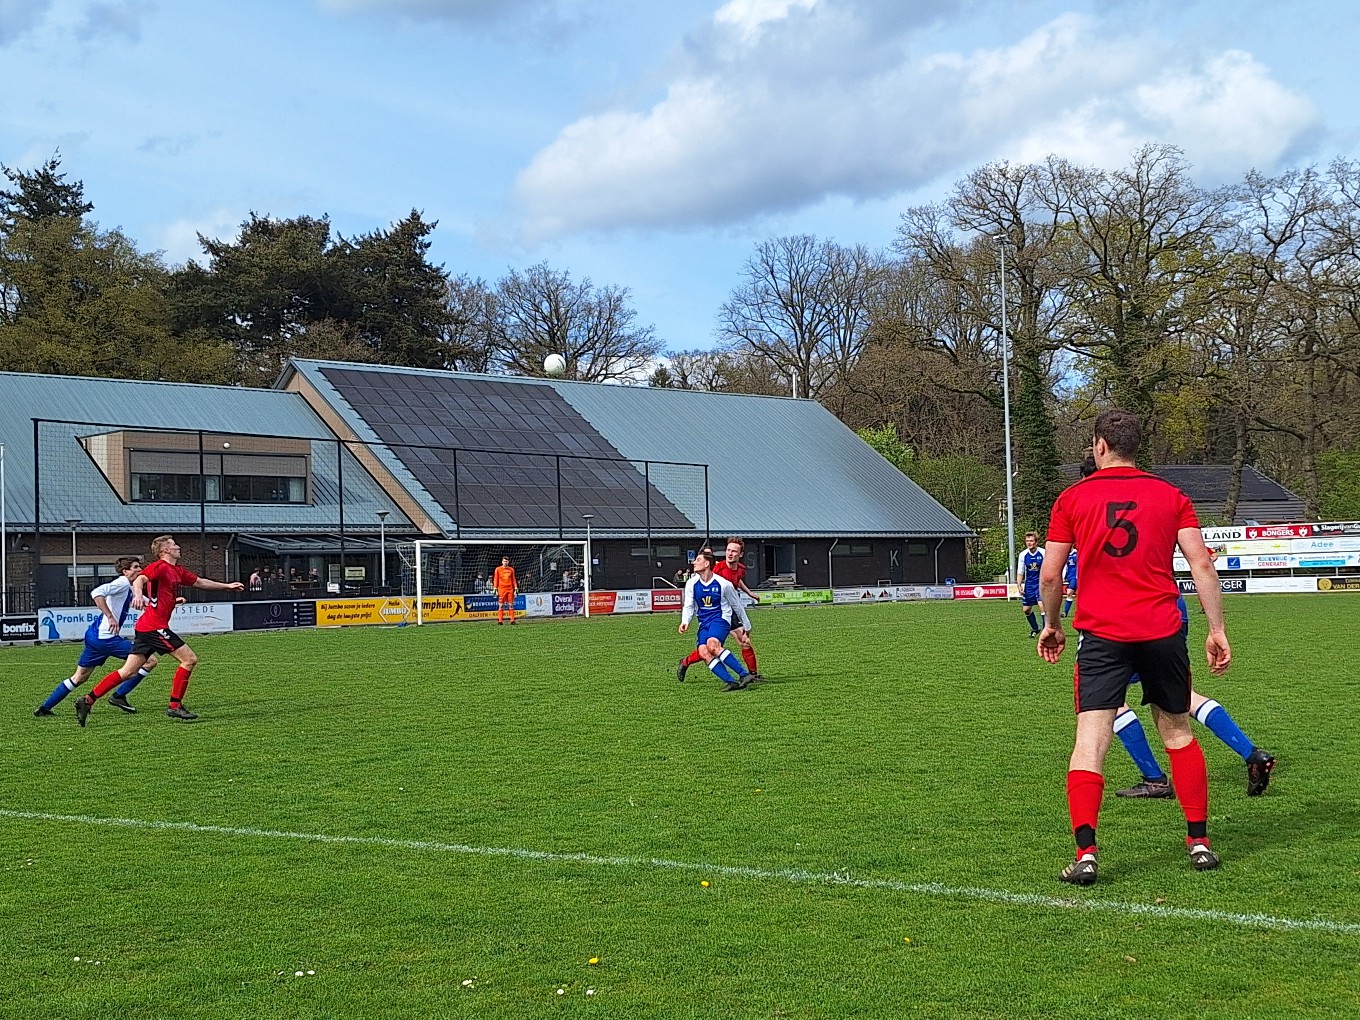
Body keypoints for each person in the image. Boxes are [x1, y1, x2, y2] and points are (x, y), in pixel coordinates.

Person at [1038, 410, 1231, 886]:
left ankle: (1086, 854)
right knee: (1178, 733)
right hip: (1162, 630)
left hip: (1103, 634)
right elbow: (1202, 567)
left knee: (1090, 741)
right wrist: (1216, 628)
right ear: (1136, 447)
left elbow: (1050, 575)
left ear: (1100, 445)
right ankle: (1199, 844)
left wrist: (1050, 624)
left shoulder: (1072, 499)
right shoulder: (1172, 497)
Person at [1113, 594, 1277, 799]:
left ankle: (1154, 779)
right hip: (1172, 606)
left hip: (1130, 610)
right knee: (1181, 697)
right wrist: (1216, 628)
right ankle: (1251, 754)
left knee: (1109, 699)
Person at [74, 535, 245, 725]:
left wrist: (227, 586)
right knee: (189, 659)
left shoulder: (176, 570)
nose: (178, 547)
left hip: (146, 627)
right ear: (165, 551)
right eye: (173, 545)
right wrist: (138, 595)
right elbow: (140, 579)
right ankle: (175, 706)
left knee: (128, 671)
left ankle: (87, 700)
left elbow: (200, 582)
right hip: (154, 627)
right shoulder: (160, 566)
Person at [34, 557, 161, 717]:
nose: (139, 569)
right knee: (150, 661)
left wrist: (172, 601)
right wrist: (110, 616)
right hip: (106, 639)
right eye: (135, 567)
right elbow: (96, 593)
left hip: (95, 636)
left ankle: (45, 708)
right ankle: (119, 696)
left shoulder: (129, 588)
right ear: (125, 571)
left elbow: (148, 603)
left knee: (79, 677)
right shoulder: (122, 583)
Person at [678, 538, 762, 681]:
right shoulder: (717, 569)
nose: (730, 553)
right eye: (728, 550)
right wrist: (686, 620)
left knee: (743, 642)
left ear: (740, 554)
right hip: (717, 612)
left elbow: (737, 582)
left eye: (734, 551)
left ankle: (752, 675)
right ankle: (686, 661)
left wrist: (750, 593)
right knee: (711, 647)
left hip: (728, 613)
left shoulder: (740, 569)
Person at [1016, 532, 1045, 637]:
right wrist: (1019, 585)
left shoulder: (1043, 553)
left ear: (1036, 542)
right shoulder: (1023, 554)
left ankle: (1046, 631)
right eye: (1027, 541)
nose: (1029, 543)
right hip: (1029, 585)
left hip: (1041, 584)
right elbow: (1020, 571)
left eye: (1031, 541)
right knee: (1026, 610)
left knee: (1042, 606)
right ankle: (1035, 628)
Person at [493, 555, 518, 625]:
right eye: (504, 561)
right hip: (501, 589)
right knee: (501, 605)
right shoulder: (498, 569)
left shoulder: (511, 569)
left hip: (510, 589)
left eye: (506, 561)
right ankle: (500, 621)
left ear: (508, 562)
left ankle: (512, 620)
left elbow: (513, 579)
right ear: (502, 562)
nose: (505, 562)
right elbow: (496, 579)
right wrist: (495, 588)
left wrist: (516, 588)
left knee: (511, 605)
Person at [1061, 548, 1078, 617]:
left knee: (1069, 592)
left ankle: (1065, 612)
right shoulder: (1065, 554)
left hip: (1076, 576)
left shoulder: (1077, 553)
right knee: (1070, 594)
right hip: (1069, 577)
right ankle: (1065, 612)